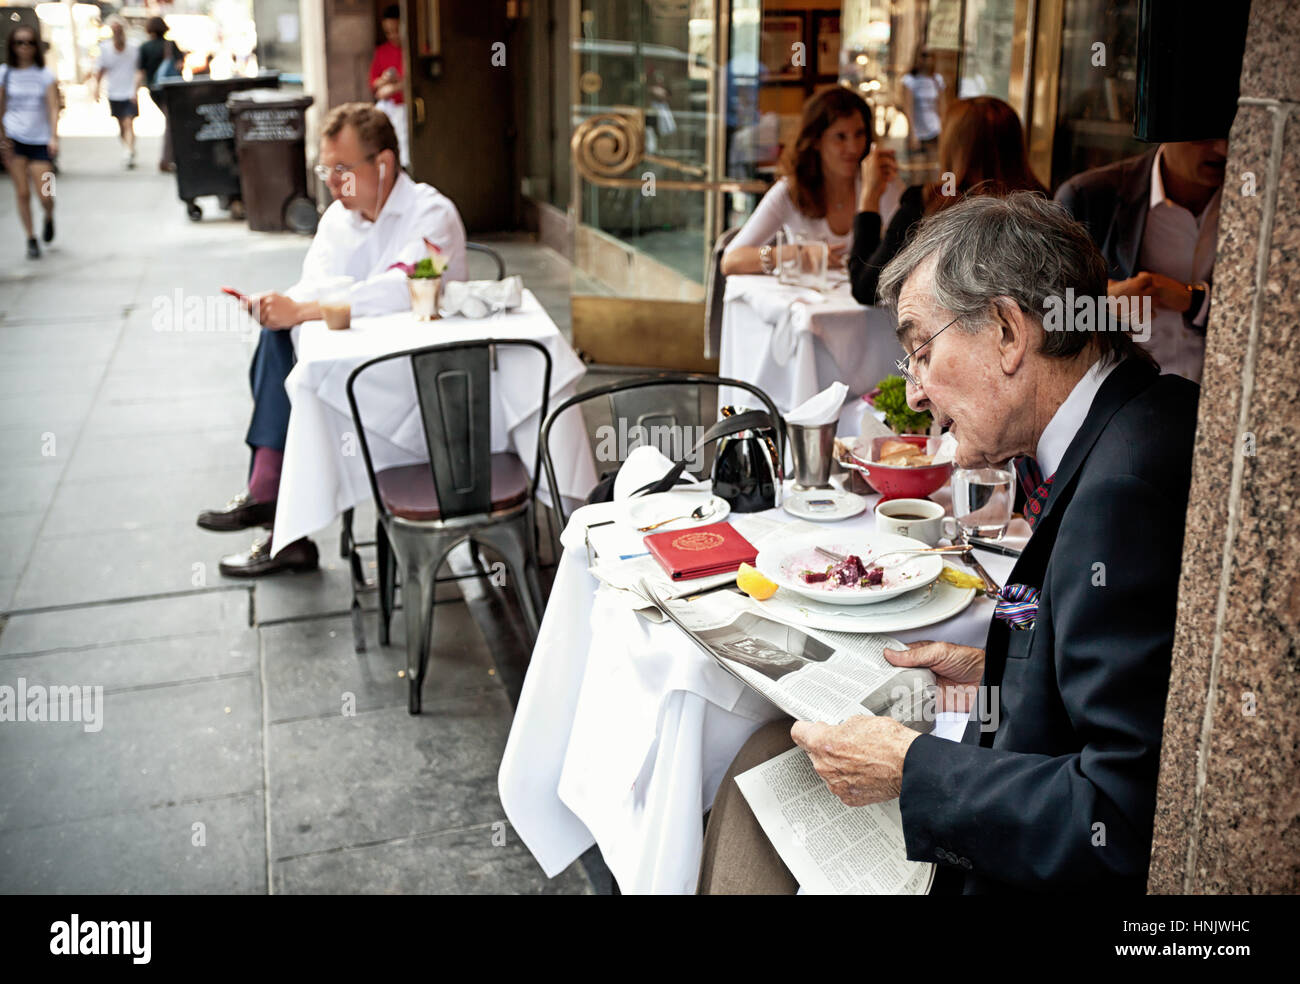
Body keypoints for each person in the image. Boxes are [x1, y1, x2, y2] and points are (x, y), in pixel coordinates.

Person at [698, 193, 1199, 894]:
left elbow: (1121, 817)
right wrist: (993, 662)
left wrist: (911, 771)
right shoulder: (1137, 415)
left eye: (921, 351)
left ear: (1006, 330)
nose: (918, 390)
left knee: (759, 781)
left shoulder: (1122, 490)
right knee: (765, 758)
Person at [196, 103, 468, 577]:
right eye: (326, 168)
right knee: (278, 341)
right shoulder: (338, 219)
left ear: (383, 164)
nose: (330, 181)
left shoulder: (432, 213)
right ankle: (278, 512)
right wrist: (281, 305)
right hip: (352, 370)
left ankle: (275, 507)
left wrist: (307, 309)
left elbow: (407, 285)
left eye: (341, 169)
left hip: (417, 379)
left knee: (292, 359)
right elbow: (316, 284)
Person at [1054, 139, 1227, 383]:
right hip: (1119, 402)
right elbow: (1044, 316)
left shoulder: (1254, 201)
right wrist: (1101, 306)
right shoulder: (1088, 197)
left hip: (1219, 398)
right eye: (1204, 137)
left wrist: (1193, 301)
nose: (1223, 149)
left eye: (1231, 135)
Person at [850, 96, 1047, 305]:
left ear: (951, 146)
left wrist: (869, 196)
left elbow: (866, 287)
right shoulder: (1044, 206)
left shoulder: (930, 205)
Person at [721, 87, 872, 277]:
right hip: (808, 303)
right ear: (816, 141)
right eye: (840, 137)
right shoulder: (791, 191)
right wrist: (797, 253)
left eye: (860, 134)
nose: (853, 147)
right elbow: (731, 261)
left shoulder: (881, 184)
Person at [0, 25, 59, 259]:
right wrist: (2, 138)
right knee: (22, 193)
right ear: (12, 46)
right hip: (15, 140)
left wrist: (54, 136)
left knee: (46, 193)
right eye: (19, 43)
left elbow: (53, 107)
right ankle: (31, 237)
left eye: (29, 42)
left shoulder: (45, 74)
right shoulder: (5, 73)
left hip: (41, 141)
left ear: (36, 46)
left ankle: (49, 215)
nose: (24, 47)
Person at [93, 18, 140, 169]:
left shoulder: (133, 47)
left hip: (129, 91)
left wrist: (136, 89)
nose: (117, 33)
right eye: (114, 30)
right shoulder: (105, 48)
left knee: (129, 123)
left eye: (119, 30)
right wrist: (96, 89)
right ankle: (128, 148)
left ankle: (129, 151)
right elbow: (100, 71)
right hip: (113, 92)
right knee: (121, 124)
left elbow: (139, 70)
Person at [136, 16, 180, 171]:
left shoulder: (145, 47)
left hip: (154, 89)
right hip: (171, 88)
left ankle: (169, 158)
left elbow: (140, 72)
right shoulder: (170, 45)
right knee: (171, 122)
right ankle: (166, 159)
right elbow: (180, 65)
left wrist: (134, 92)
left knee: (170, 121)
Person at [369, 6, 410, 170]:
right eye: (388, 32)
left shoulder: (409, 50)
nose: (393, 35)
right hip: (389, 107)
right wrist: (385, 80)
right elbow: (374, 83)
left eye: (396, 30)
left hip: (406, 106)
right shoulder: (382, 51)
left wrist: (395, 87)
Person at [900, 47, 945, 162]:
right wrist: (912, 133)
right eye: (924, 56)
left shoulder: (937, 79)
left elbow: (941, 106)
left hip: (935, 128)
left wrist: (945, 128)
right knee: (917, 172)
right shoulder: (910, 80)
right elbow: (908, 107)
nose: (927, 60)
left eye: (930, 56)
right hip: (917, 130)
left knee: (933, 168)